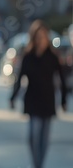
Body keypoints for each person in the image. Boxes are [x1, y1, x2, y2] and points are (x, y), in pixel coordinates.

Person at [9, 20, 68, 168]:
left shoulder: (53, 57)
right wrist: (13, 97)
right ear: (33, 38)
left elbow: (62, 80)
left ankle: (39, 164)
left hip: (48, 99)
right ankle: (36, 164)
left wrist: (63, 100)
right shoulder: (28, 57)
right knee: (33, 136)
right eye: (38, 37)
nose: (41, 40)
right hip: (32, 99)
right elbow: (19, 78)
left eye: (43, 37)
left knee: (44, 138)